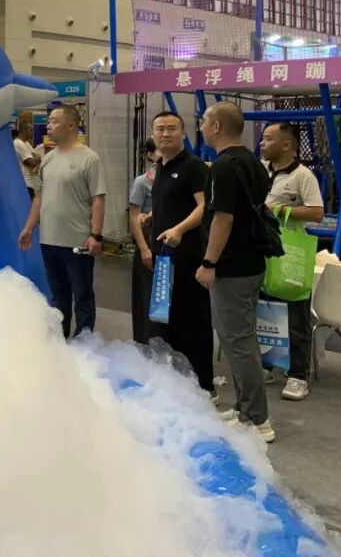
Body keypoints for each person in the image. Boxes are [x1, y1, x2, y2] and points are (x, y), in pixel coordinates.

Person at [197, 101, 276, 443]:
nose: (200, 126)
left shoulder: (223, 166)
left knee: (238, 342)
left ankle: (257, 420)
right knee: (241, 339)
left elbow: (223, 218)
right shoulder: (251, 162)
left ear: (216, 126)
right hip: (250, 263)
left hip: (232, 267)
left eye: (204, 121)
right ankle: (245, 408)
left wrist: (209, 262)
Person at [18, 105, 107, 338]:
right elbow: (39, 197)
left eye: (54, 121)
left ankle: (85, 345)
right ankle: (59, 342)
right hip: (49, 240)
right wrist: (29, 228)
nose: (48, 126)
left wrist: (96, 235)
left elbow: (98, 198)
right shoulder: (47, 159)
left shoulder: (89, 158)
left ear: (71, 125)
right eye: (49, 121)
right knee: (58, 295)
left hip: (78, 241)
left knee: (82, 295)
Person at [148, 113, 215, 400]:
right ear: (153, 134)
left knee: (193, 322)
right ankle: (177, 384)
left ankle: (204, 387)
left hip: (188, 258)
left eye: (172, 129)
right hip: (165, 259)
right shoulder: (161, 165)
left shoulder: (193, 166)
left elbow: (204, 206)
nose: (165, 134)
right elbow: (175, 203)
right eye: (160, 129)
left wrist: (179, 228)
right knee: (169, 322)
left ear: (183, 133)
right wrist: (153, 217)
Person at [260, 121, 325, 402]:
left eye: (268, 139)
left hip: (290, 253)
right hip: (261, 251)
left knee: (296, 315)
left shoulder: (302, 175)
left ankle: (298, 375)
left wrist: (278, 209)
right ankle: (267, 366)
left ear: (287, 144)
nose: (262, 144)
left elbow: (317, 212)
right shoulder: (260, 170)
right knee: (264, 309)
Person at [128, 139, 165, 344]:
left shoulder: (177, 177)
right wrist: (144, 249)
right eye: (158, 149)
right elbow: (134, 217)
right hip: (149, 244)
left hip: (171, 246)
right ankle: (146, 344)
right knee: (148, 297)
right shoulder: (142, 182)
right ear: (150, 155)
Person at [12, 122, 40, 198]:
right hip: (25, 184)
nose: (33, 132)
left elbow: (38, 157)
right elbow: (32, 163)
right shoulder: (18, 143)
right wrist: (35, 159)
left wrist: (35, 159)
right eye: (31, 130)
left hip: (31, 184)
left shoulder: (26, 143)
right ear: (24, 131)